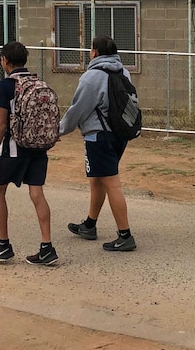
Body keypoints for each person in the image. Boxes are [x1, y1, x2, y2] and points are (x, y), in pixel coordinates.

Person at [0, 41, 58, 265]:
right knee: (37, 193)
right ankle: (46, 247)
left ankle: (3, 245)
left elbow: (1, 124)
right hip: (38, 147)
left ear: (5, 60)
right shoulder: (38, 82)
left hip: (14, 148)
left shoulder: (5, 86)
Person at [60, 35, 137, 252]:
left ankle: (125, 235)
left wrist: (59, 130)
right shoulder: (123, 72)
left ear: (94, 52)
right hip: (119, 135)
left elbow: (78, 109)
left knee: (111, 183)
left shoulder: (91, 76)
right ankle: (89, 225)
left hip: (99, 137)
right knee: (98, 180)